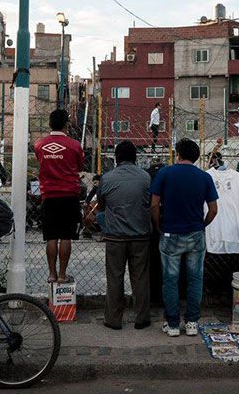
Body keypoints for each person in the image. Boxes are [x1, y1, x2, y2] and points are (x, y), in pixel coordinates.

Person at [150, 138, 218, 337]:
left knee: (170, 280)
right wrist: (202, 225)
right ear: (196, 157)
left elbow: (154, 204)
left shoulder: (164, 173)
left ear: (178, 153)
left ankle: (172, 324)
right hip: (195, 234)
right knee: (195, 279)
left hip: (170, 233)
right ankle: (192, 323)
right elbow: (213, 210)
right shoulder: (204, 177)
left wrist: (158, 225)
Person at [98, 141, 152, 330]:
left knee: (114, 277)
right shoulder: (146, 177)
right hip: (140, 235)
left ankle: (113, 319)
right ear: (135, 158)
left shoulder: (107, 178)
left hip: (115, 237)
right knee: (141, 278)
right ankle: (142, 318)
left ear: (116, 158)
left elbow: (102, 206)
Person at [35, 110, 85, 284]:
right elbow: (79, 166)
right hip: (69, 194)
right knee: (66, 236)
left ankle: (51, 274)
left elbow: (40, 162)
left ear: (50, 123)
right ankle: (63, 275)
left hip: (49, 195)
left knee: (51, 236)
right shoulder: (74, 145)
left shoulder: (40, 144)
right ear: (66, 124)